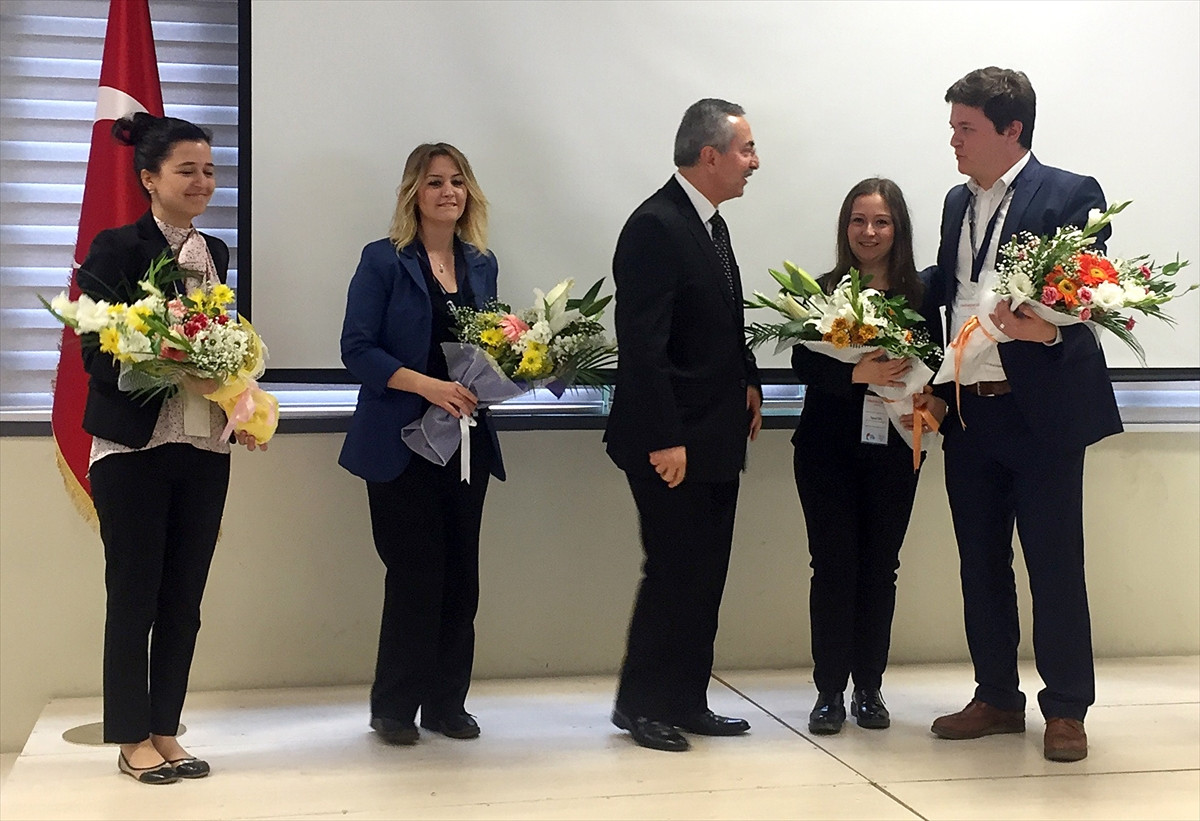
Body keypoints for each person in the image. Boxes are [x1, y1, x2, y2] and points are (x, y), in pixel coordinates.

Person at [915, 67, 1122, 762]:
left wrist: (1048, 332)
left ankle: (1066, 708)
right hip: (971, 412)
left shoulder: (1069, 193)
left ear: (1012, 129)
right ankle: (997, 696)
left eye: (965, 128)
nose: (953, 140)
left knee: (1054, 563)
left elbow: (1090, 295)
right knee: (980, 561)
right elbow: (951, 296)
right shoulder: (956, 202)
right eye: (952, 127)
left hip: (1042, 414)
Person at [79, 113, 266, 785]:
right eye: (187, 170)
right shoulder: (116, 247)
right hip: (133, 447)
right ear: (149, 178)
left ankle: (165, 729)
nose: (203, 182)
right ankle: (131, 738)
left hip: (202, 447)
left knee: (184, 598)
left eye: (210, 171)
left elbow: (223, 346)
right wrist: (176, 369)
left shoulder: (216, 250)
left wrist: (241, 403)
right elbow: (97, 355)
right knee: (136, 595)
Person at [605, 98, 763, 752]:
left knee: (705, 573)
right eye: (746, 149)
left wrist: (750, 378)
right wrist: (665, 437)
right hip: (671, 440)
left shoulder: (710, 225)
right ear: (710, 155)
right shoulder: (656, 225)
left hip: (715, 434)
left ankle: (686, 698)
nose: (755, 162)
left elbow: (717, 320)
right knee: (674, 571)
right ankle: (641, 706)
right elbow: (643, 346)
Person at [339, 143, 504, 746]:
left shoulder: (481, 264)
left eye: (457, 181)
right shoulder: (383, 260)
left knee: (461, 579)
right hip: (400, 445)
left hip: (464, 444)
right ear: (414, 192)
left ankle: (445, 705)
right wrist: (429, 386)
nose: (448, 192)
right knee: (415, 577)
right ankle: (393, 708)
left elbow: (492, 346)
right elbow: (357, 350)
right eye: (435, 182)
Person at [791, 178, 942, 735]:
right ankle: (829, 691)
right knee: (832, 567)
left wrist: (934, 404)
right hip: (825, 450)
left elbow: (940, 366)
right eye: (858, 220)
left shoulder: (922, 296)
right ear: (845, 227)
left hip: (895, 450)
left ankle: (870, 688)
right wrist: (857, 373)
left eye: (881, 221)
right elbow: (803, 364)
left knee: (881, 569)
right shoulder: (822, 292)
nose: (869, 232)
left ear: (897, 228)